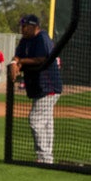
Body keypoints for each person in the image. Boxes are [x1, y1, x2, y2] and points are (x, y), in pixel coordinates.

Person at [10, 14, 62, 164]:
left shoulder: (42, 38)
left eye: (25, 26)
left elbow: (43, 58)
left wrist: (20, 62)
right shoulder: (25, 40)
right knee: (46, 122)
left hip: (49, 86)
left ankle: (43, 157)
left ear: (34, 26)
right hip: (38, 87)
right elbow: (17, 56)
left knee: (35, 120)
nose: (22, 28)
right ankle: (47, 157)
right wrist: (15, 61)